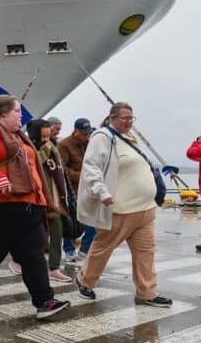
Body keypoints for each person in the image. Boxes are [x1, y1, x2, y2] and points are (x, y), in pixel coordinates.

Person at [0, 95, 71, 319]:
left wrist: (44, 201)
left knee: (34, 257)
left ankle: (44, 302)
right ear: (3, 114)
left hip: (29, 209)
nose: (21, 115)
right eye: (17, 111)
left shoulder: (19, 136)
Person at [74, 102, 173, 309]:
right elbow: (92, 168)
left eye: (131, 118)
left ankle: (147, 293)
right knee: (103, 248)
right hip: (121, 209)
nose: (128, 122)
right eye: (124, 118)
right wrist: (102, 192)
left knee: (146, 252)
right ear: (112, 117)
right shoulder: (103, 138)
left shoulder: (130, 139)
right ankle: (85, 280)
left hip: (145, 209)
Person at [28, 119, 72, 282]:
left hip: (55, 197)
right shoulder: (29, 148)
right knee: (35, 237)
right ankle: (26, 263)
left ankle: (54, 267)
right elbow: (32, 165)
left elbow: (60, 169)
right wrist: (45, 151)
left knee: (57, 232)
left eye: (49, 135)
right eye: (43, 136)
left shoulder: (53, 146)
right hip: (38, 198)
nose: (46, 139)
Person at [58, 117, 97, 261]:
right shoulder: (64, 145)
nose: (87, 136)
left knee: (92, 222)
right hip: (72, 190)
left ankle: (84, 250)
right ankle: (68, 250)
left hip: (88, 189)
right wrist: (82, 175)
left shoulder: (89, 143)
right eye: (84, 133)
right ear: (76, 131)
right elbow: (62, 168)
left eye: (88, 133)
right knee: (70, 222)